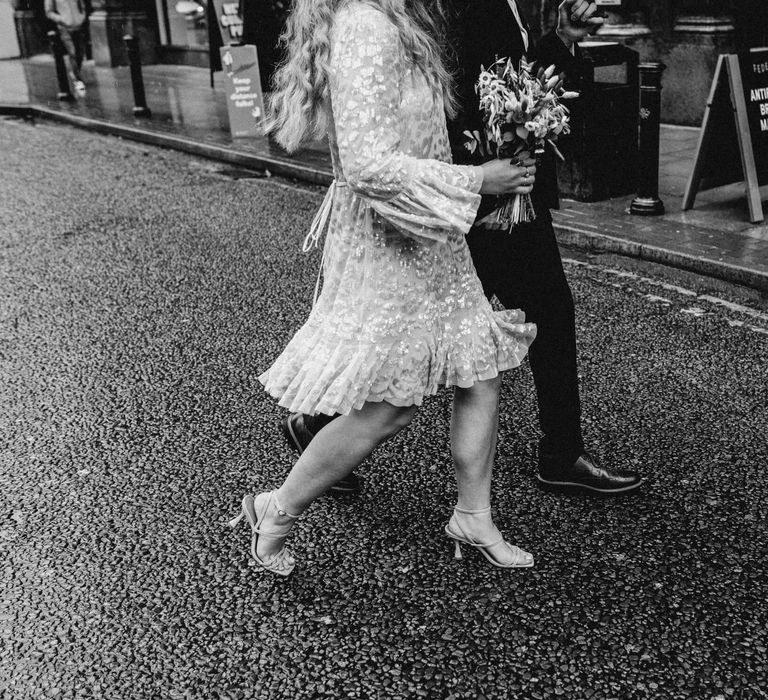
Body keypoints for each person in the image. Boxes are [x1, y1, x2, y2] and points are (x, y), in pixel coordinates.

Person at [282, 0, 643, 496]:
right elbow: (439, 93)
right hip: (466, 192)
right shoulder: (402, 15)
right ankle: (305, 455)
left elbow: (516, 76)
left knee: (531, 317)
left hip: (501, 186)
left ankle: (546, 462)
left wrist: (562, 40)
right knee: (410, 336)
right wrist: (477, 180)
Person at [230, 0, 540, 575]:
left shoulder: (398, 20)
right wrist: (477, 179)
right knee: (389, 405)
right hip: (389, 239)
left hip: (429, 234)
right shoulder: (367, 27)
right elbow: (367, 165)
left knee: (477, 369)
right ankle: (275, 508)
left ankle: (474, 516)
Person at [45, 0, 87, 97]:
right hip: (64, 27)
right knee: (72, 53)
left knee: (80, 54)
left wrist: (82, 17)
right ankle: (78, 81)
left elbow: (81, 5)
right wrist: (61, 19)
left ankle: (75, 73)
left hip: (78, 26)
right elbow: (49, 12)